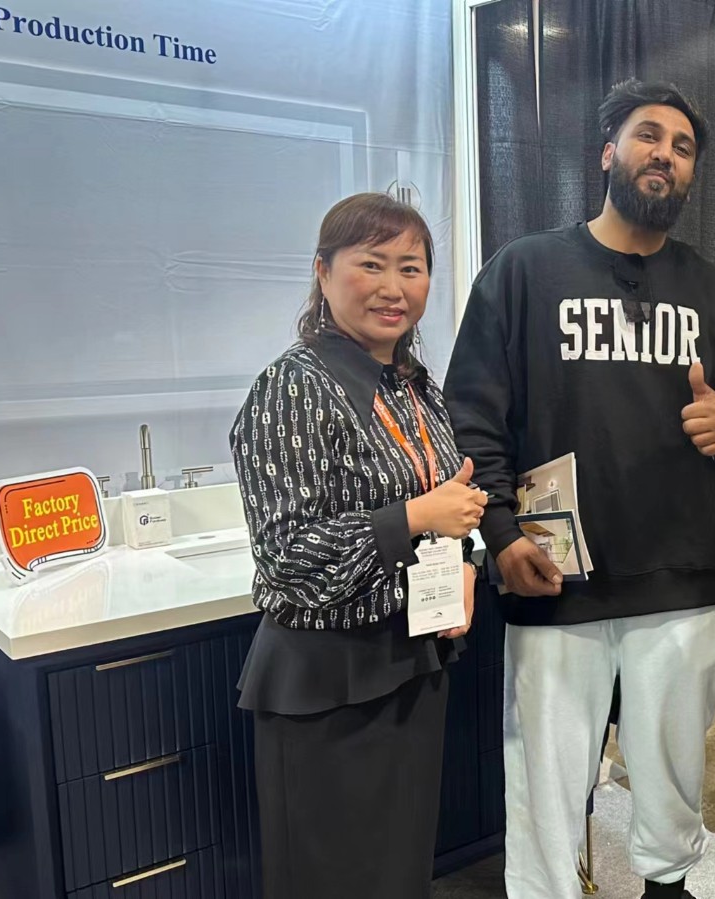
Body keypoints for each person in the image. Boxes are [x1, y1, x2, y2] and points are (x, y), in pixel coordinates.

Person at [444, 79, 715, 899]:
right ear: (607, 153)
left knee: (673, 768)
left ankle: (668, 886)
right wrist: (503, 533)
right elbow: (473, 416)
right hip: (557, 575)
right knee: (549, 781)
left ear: (692, 173)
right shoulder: (523, 272)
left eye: (683, 146)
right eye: (648, 136)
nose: (665, 153)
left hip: (681, 575)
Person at [229, 193, 485, 899]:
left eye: (412, 267)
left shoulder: (411, 386)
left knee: (396, 874)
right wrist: (411, 517)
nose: (393, 287)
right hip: (327, 686)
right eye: (371, 264)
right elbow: (289, 557)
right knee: (330, 878)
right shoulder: (294, 387)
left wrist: (464, 566)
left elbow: (449, 505)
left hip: (410, 664)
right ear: (323, 271)